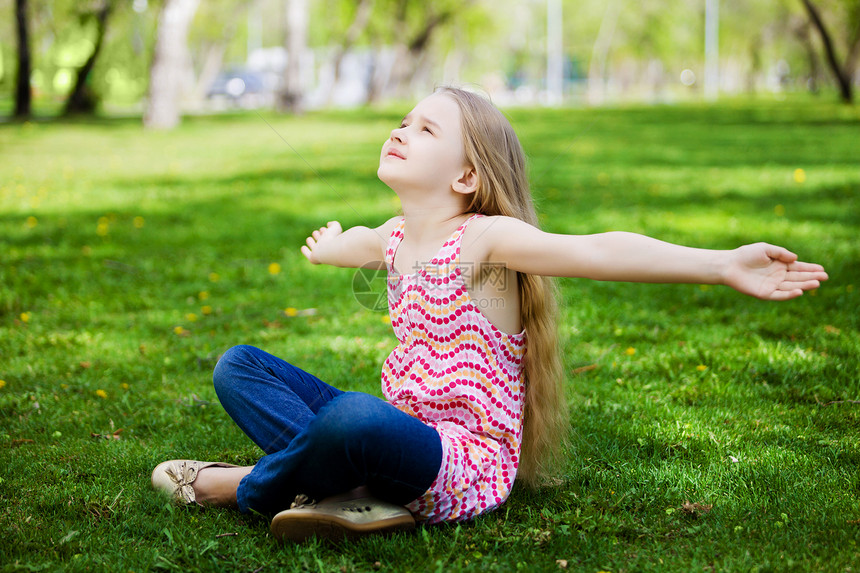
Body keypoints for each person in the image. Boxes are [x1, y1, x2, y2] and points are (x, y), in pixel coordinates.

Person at [151, 87, 828, 543]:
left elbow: (595, 248)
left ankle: (240, 487)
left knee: (351, 417)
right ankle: (350, 489)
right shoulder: (394, 236)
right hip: (402, 437)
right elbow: (358, 240)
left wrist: (719, 262)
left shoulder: (483, 241)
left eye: (425, 128)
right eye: (404, 120)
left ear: (467, 177)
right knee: (240, 366)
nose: (401, 129)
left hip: (457, 461)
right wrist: (328, 247)